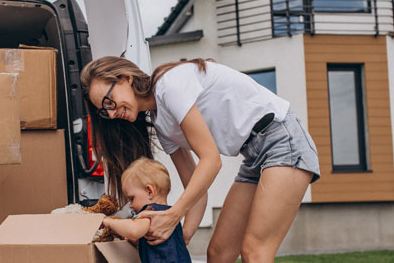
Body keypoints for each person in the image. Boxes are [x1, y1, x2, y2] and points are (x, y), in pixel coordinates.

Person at [81, 57, 320, 263]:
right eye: (104, 111)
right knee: (218, 254)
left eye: (108, 102)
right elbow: (195, 185)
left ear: (125, 78)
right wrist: (180, 236)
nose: (112, 113)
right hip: (253, 156)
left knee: (255, 252)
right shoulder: (161, 122)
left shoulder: (169, 85)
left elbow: (211, 160)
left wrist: (172, 215)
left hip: (281, 140)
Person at [101, 157, 192, 263]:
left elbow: (133, 230)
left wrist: (108, 221)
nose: (130, 205)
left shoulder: (151, 213)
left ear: (149, 191)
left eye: (132, 198)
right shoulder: (170, 216)